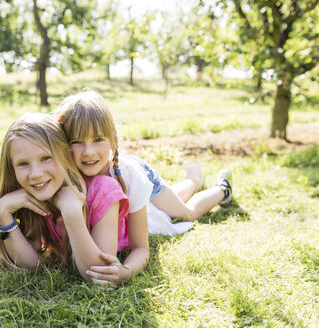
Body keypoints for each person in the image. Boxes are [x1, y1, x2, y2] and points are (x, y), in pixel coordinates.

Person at [53, 90, 232, 284]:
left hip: (145, 178)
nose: (88, 152)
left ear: (112, 139)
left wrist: (127, 271)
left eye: (98, 140)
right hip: (127, 187)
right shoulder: (60, 173)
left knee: (185, 212)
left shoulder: (131, 177)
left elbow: (141, 247)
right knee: (162, 208)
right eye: (77, 142)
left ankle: (216, 186)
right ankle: (193, 179)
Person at [0, 113, 134, 284]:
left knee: (168, 207)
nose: (36, 174)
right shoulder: (33, 195)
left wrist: (72, 212)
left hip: (135, 206)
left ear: (65, 155)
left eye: (45, 158)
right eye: (23, 164)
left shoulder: (104, 190)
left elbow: (98, 275)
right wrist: (4, 213)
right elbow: (30, 264)